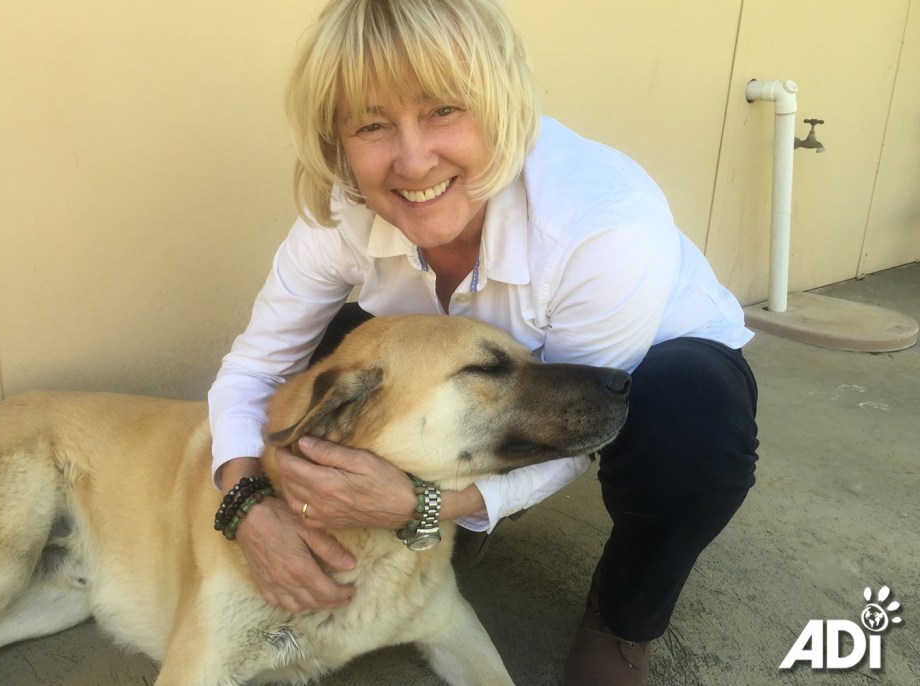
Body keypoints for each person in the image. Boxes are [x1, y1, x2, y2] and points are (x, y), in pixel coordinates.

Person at [207, 1, 759, 684]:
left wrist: (429, 507)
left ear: (502, 107)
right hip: (465, 365)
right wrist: (246, 504)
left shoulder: (603, 224)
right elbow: (257, 368)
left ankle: (624, 616)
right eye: (372, 125)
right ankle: (411, 510)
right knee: (339, 356)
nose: (414, 161)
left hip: (647, 366)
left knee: (689, 420)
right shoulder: (339, 216)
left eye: (443, 110)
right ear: (337, 143)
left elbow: (577, 429)